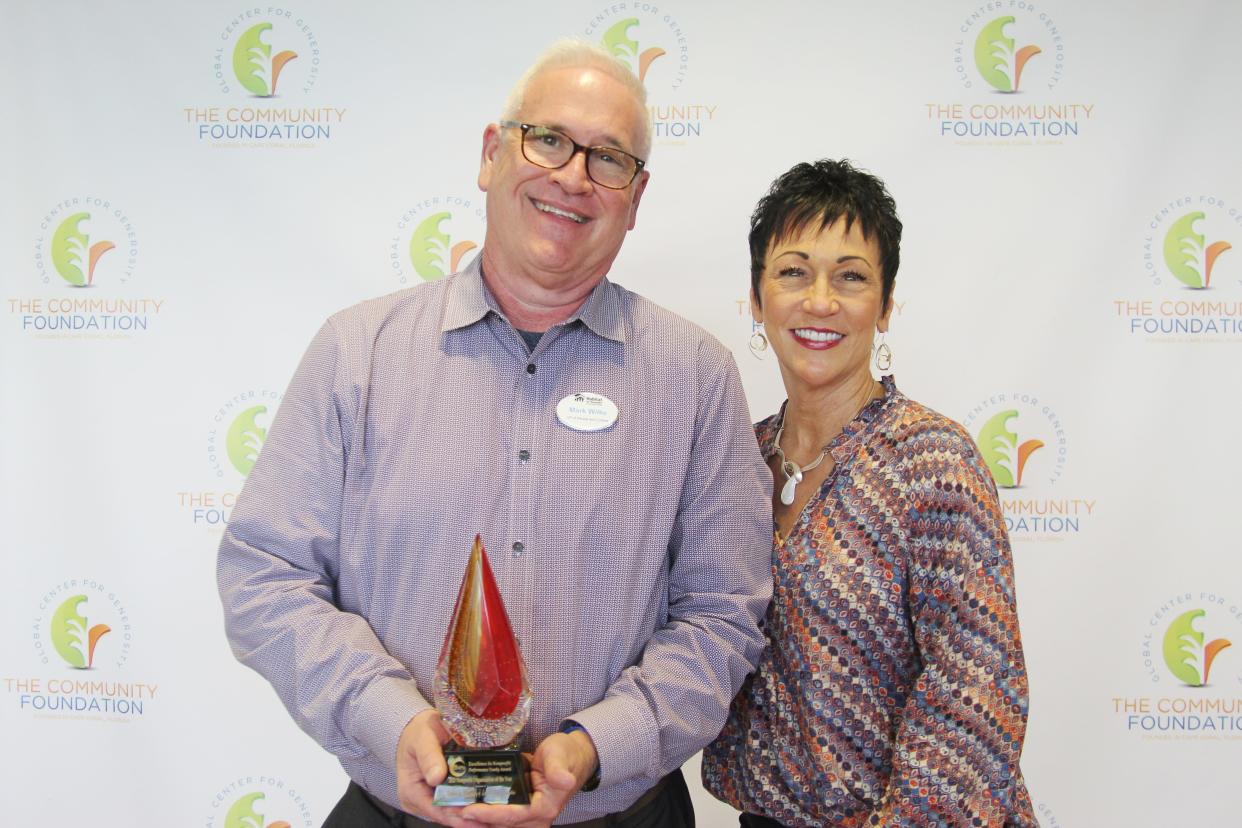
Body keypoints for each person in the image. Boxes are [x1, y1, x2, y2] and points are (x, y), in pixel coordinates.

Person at [217, 41, 773, 828]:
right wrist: (390, 719)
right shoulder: (356, 354)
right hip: (396, 810)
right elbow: (265, 575)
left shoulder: (697, 379)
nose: (573, 176)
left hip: (617, 812)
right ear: (490, 154)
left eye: (609, 159)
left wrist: (595, 745)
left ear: (637, 196)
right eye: (547, 139)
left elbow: (723, 614)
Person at [701, 159, 1037, 827]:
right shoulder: (733, 459)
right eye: (793, 271)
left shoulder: (932, 462)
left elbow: (975, 695)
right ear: (756, 296)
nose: (819, 301)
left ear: (884, 307)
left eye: (850, 277)